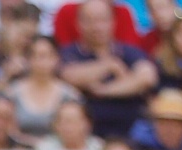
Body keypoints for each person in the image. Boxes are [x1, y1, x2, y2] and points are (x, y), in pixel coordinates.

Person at [58, 0, 158, 140]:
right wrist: (110, 66)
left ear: (113, 21)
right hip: (85, 137)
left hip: (131, 132)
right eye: (89, 20)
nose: (96, 27)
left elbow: (147, 77)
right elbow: (69, 75)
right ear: (78, 23)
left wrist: (102, 90)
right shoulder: (69, 53)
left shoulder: (129, 52)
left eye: (101, 20)